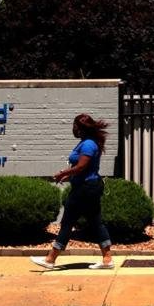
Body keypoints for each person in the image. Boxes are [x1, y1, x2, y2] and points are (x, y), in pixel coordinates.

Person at [30, 113, 114, 270]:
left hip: (85, 188)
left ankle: (50, 259)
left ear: (80, 128)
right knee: (96, 222)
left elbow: (82, 166)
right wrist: (69, 175)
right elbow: (82, 169)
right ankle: (107, 259)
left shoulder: (88, 144)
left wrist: (63, 173)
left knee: (67, 222)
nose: (73, 129)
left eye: (74, 126)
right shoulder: (86, 142)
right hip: (88, 186)